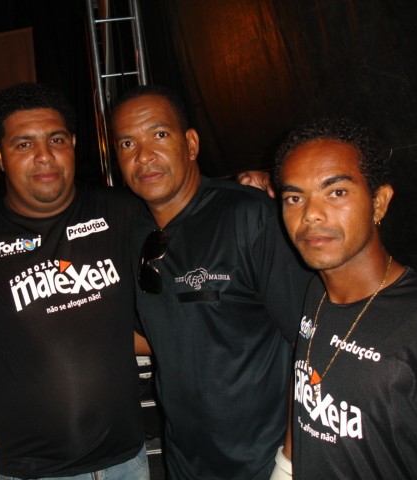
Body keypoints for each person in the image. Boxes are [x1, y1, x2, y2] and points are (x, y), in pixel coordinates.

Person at [0, 83, 150, 480]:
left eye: (56, 140)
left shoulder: (123, 213)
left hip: (125, 462)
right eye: (24, 144)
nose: (44, 156)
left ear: (73, 143)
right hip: (28, 471)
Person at [110, 85, 313, 479]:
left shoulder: (249, 216)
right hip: (186, 461)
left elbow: (308, 344)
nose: (144, 155)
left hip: (264, 461)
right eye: (127, 143)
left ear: (191, 143)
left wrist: (289, 462)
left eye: (159, 134)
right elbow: (157, 334)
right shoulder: (131, 234)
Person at [274, 118, 417, 478]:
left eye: (336, 192)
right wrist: (284, 468)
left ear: (379, 203)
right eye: (294, 198)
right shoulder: (316, 292)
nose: (310, 215)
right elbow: (306, 394)